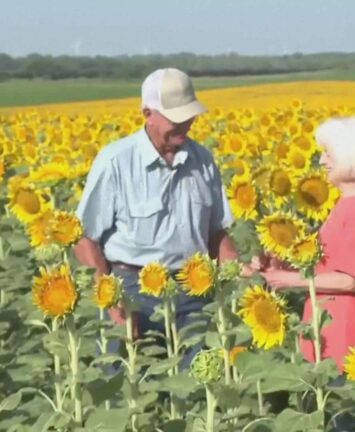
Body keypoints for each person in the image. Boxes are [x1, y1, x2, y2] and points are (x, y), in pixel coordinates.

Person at [74, 67, 238, 367]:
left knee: (197, 392)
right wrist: (112, 301)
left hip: (194, 290)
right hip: (130, 289)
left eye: (189, 115)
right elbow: (84, 237)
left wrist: (240, 277)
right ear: (147, 113)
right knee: (127, 390)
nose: (186, 123)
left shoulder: (202, 160)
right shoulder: (116, 161)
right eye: (176, 117)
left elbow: (217, 234)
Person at [249, 116, 355, 372]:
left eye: (329, 154)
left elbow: (350, 279)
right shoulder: (350, 201)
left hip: (347, 336)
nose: (322, 161)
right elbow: (330, 265)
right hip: (330, 330)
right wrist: (279, 266)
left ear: (350, 156)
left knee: (344, 407)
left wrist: (289, 280)